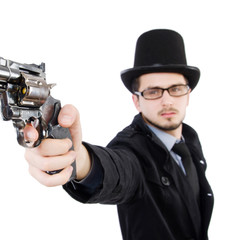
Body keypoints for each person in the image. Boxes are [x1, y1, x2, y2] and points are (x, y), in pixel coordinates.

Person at [24, 29, 214, 240]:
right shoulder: (132, 149)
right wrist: (76, 158)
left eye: (176, 89)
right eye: (153, 92)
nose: (167, 100)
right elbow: (117, 170)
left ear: (188, 95)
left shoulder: (190, 138)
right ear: (136, 101)